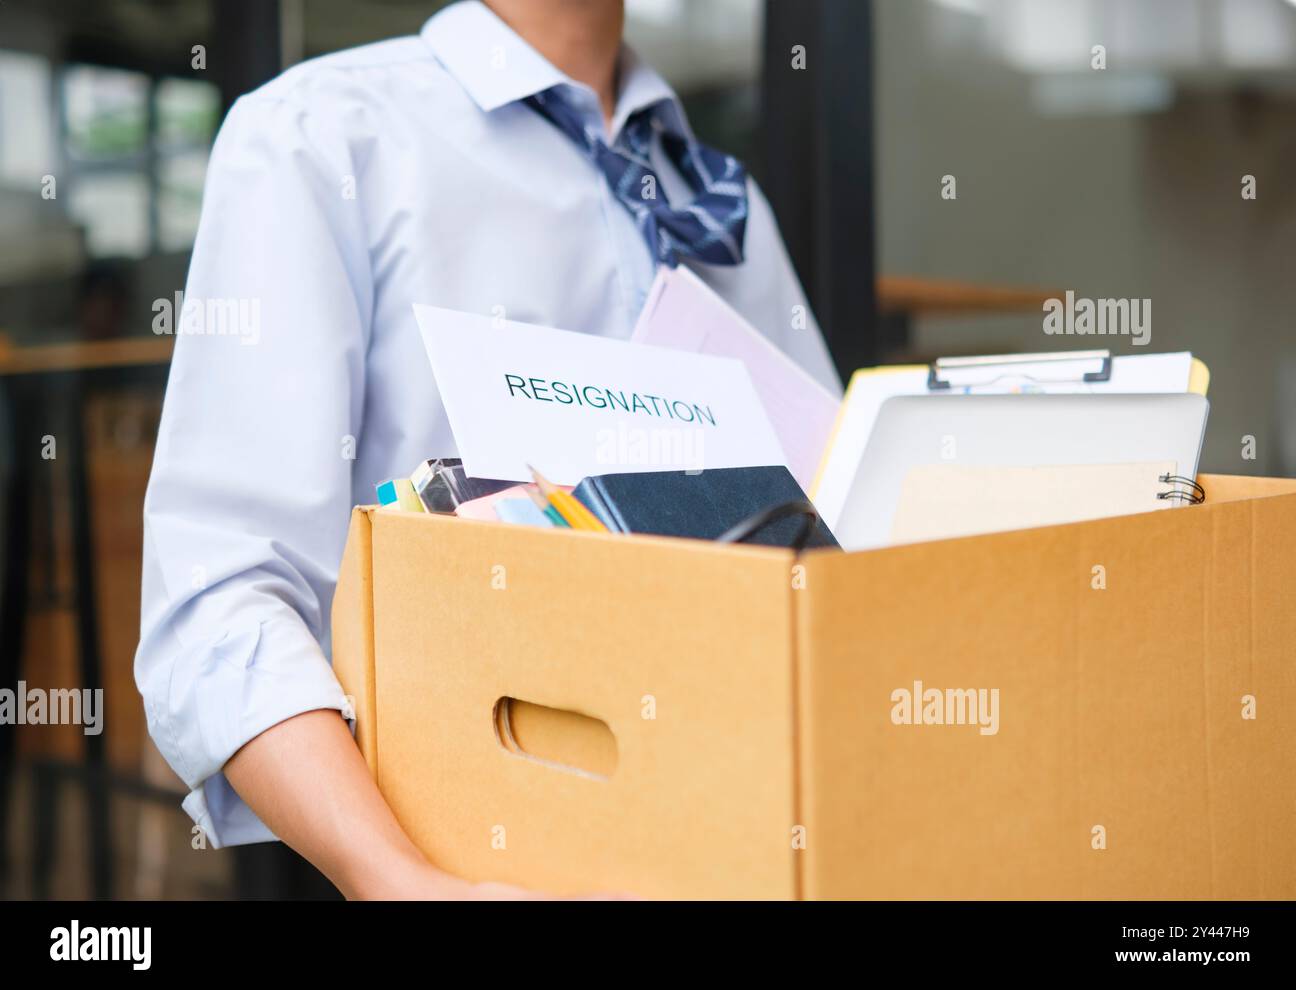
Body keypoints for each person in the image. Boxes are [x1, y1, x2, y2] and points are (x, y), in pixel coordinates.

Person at [135, 0, 839, 900]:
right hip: (456, 858)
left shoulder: (722, 198)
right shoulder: (321, 136)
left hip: (735, 826)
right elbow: (221, 600)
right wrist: (393, 878)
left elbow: (828, 527)